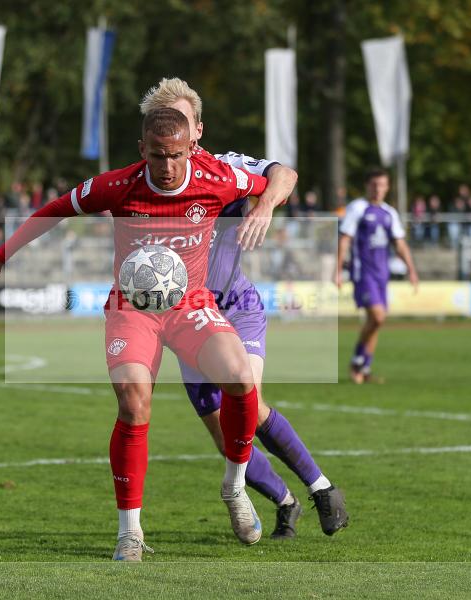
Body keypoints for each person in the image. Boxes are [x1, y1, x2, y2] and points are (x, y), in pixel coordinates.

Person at [0, 108, 269, 561]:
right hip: (132, 309)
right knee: (133, 401)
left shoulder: (219, 177)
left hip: (191, 304)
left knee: (241, 378)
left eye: (174, 156)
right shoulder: (117, 185)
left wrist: (264, 206)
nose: (166, 167)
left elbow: (276, 179)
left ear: (192, 147)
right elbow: (54, 209)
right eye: (156, 156)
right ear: (141, 149)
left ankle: (234, 485)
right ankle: (130, 531)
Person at [139, 77, 347, 541]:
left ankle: (321, 488)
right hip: (184, 319)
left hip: (235, 305)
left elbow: (285, 175)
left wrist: (265, 205)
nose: (176, 131)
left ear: (197, 129)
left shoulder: (227, 168)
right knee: (224, 435)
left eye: (184, 121)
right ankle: (286, 502)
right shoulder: (148, 180)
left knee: (247, 400)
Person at [336, 168, 419, 384]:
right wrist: (337, 270)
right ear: (367, 185)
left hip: (382, 274)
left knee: (377, 322)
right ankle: (357, 361)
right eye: (374, 184)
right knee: (378, 316)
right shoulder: (357, 208)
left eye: (382, 185)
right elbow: (345, 239)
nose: (378, 189)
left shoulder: (390, 213)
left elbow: (399, 244)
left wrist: (411, 269)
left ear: (388, 187)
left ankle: (364, 367)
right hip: (363, 273)